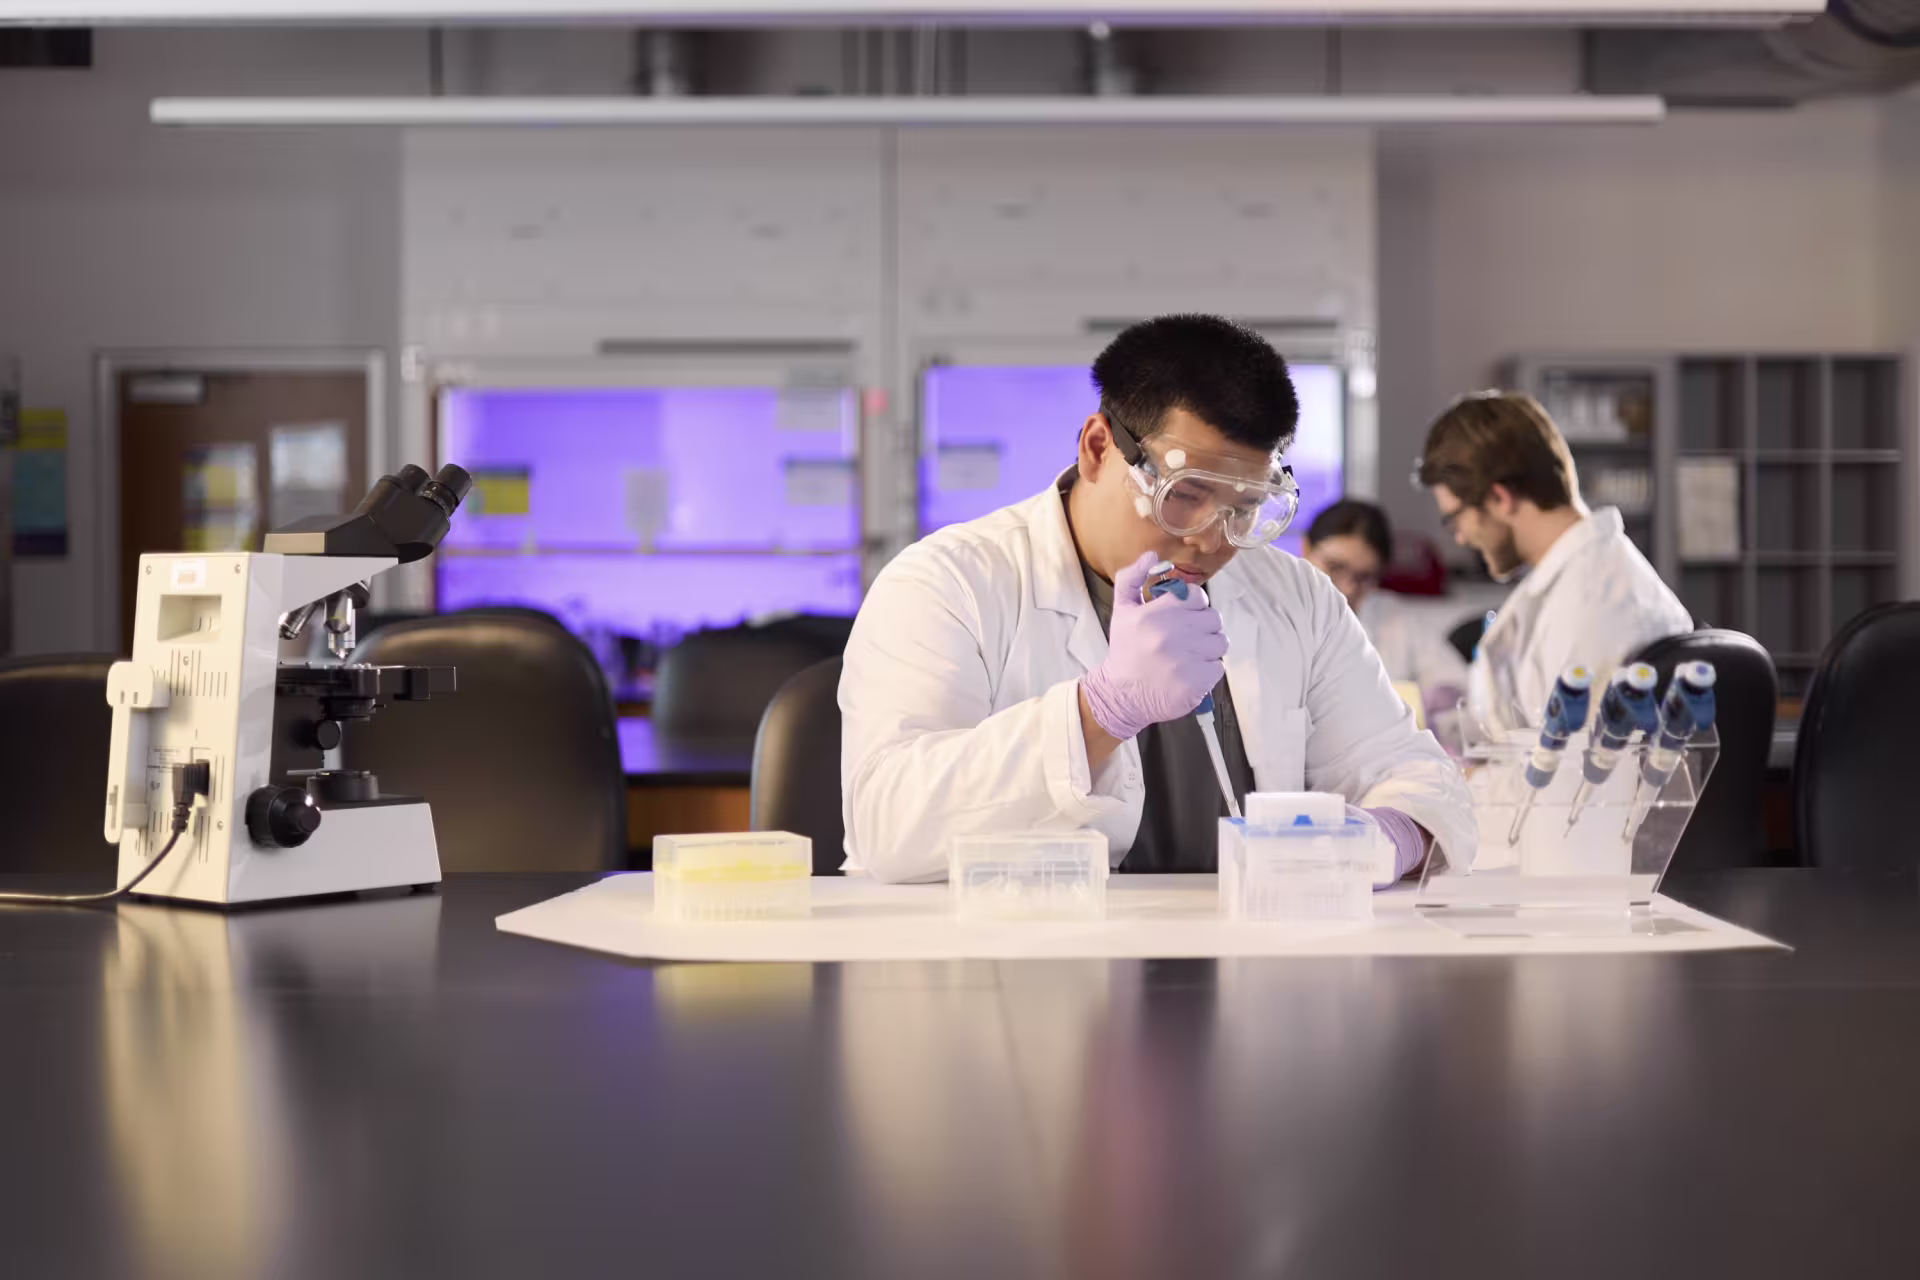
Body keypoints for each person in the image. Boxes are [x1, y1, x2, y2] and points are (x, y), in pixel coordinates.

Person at [840, 315, 1474, 884]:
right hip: (1016, 980)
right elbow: (887, 825)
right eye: (1185, 493)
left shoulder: (1297, 597)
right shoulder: (947, 584)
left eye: (1245, 508)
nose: (1210, 539)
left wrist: (1385, 839)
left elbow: (1415, 777)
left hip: (1244, 971)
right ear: (1096, 449)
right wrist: (1100, 712)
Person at [1416, 390, 1691, 734]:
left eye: (1455, 519)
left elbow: (1576, 776)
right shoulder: (1578, 578)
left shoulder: (1591, 604)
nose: (1459, 538)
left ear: (1500, 498)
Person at [1301, 499, 1468, 731]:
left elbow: (1455, 686)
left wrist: (1432, 703)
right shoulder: (1273, 613)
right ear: (1305, 548)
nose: (1349, 588)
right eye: (1336, 567)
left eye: (1364, 576)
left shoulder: (1392, 616)